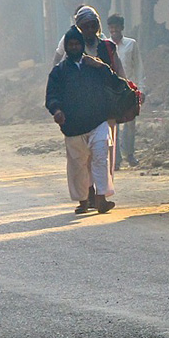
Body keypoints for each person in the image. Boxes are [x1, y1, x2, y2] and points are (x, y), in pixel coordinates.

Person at [45, 26, 124, 214]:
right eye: (70, 45)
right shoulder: (59, 72)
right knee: (78, 165)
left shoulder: (93, 66)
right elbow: (51, 96)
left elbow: (116, 83)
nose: (74, 47)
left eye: (77, 44)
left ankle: (101, 198)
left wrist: (102, 66)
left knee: (100, 158)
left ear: (81, 45)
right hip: (72, 126)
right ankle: (83, 201)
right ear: (66, 47)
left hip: (98, 121)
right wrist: (57, 110)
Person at [107, 14, 144, 169]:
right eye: (112, 28)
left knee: (130, 123)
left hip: (129, 90)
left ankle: (129, 154)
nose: (114, 30)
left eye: (117, 27)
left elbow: (139, 67)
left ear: (122, 28)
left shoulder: (131, 44)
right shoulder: (105, 46)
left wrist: (141, 89)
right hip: (112, 92)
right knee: (113, 125)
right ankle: (115, 159)